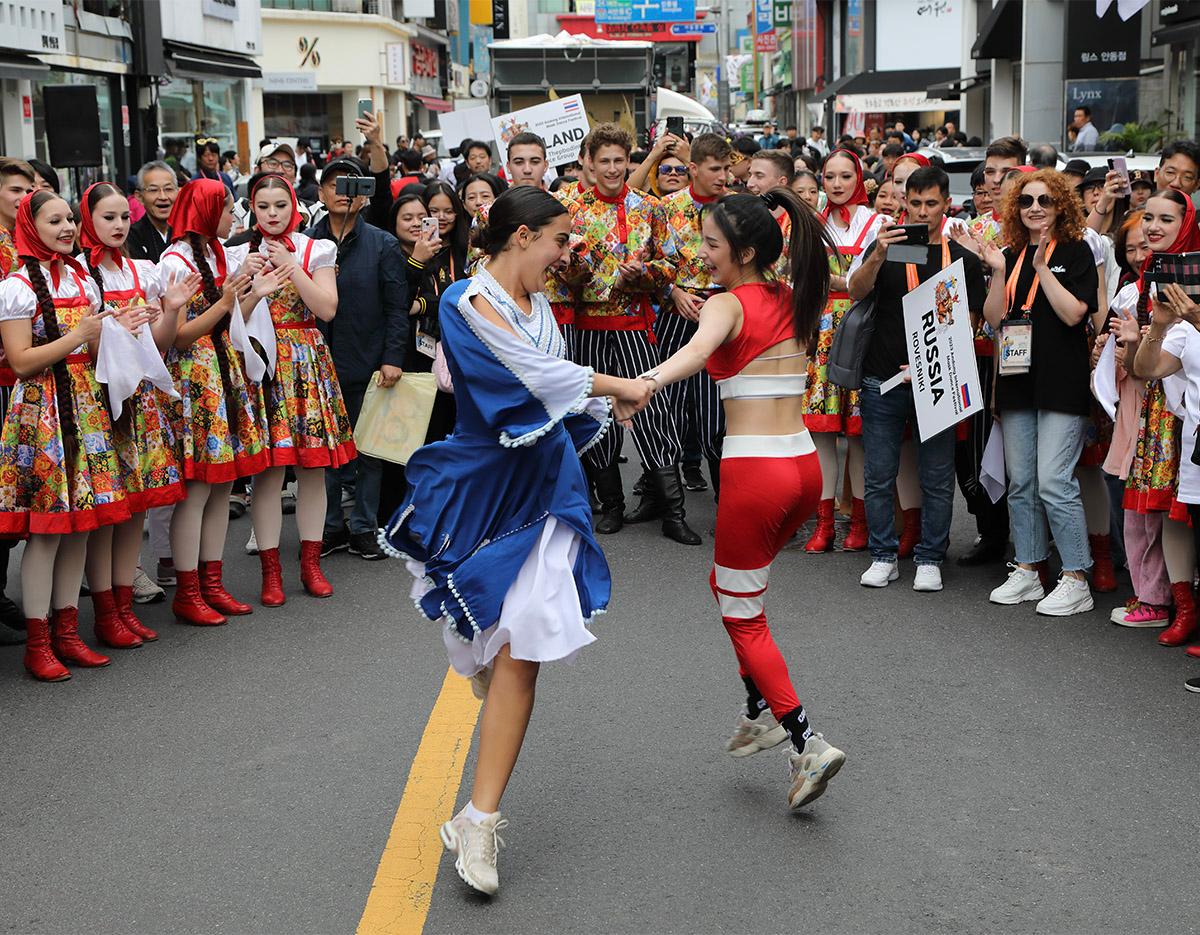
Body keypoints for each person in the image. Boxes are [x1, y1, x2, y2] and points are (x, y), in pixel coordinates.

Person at [381, 186, 650, 895]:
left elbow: (557, 389)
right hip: (483, 483)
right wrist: (614, 381)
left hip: (545, 486)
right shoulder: (465, 302)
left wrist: (604, 397)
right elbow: (534, 379)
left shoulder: (539, 306)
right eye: (560, 240)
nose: (567, 254)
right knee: (485, 643)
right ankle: (480, 662)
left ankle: (478, 816)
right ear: (523, 235)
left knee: (525, 648)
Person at [639, 187, 847, 807]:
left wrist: (642, 383)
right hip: (805, 471)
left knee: (742, 613)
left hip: (756, 475)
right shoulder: (794, 293)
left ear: (745, 251)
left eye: (710, 244)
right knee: (733, 591)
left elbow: (696, 352)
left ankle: (806, 742)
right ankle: (756, 711)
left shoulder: (726, 303)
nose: (701, 254)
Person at [0, 190, 141, 679]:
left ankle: (67, 633)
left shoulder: (82, 275)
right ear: (30, 225)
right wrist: (78, 337)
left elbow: (96, 343)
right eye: (53, 220)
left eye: (68, 220)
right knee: (46, 533)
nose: (65, 228)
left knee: (82, 523)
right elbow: (19, 362)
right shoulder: (16, 285)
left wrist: (120, 328)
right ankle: (38, 642)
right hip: (42, 411)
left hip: (86, 404)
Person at [848, 166, 987, 590]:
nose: (923, 212)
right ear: (904, 203)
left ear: (947, 204)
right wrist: (875, 253)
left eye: (931, 204)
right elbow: (856, 291)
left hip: (937, 379)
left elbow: (971, 321)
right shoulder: (887, 246)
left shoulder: (959, 255)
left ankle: (930, 557)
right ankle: (883, 554)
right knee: (878, 473)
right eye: (915, 203)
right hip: (882, 377)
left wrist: (928, 365)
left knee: (937, 475)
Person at [556, 123, 693, 544]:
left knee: (652, 409)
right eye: (605, 161)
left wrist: (644, 273)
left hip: (636, 324)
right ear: (589, 164)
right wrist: (580, 268)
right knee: (595, 414)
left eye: (620, 160)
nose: (613, 169)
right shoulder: (570, 210)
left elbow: (673, 265)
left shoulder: (649, 208)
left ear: (629, 161)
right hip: (587, 327)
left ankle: (673, 510)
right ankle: (611, 503)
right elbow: (560, 267)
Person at [77, 181, 195, 650]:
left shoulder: (140, 268)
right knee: (109, 512)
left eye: (123, 217)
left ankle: (122, 609)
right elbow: (85, 348)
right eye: (108, 218)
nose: (119, 225)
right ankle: (106, 612)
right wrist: (116, 331)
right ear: (89, 221)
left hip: (139, 395)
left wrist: (174, 309)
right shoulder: (81, 274)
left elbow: (163, 342)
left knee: (134, 509)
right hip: (100, 399)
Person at [977, 169, 1099, 616]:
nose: (1035, 208)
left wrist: (1044, 269)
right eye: (1027, 201)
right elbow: (994, 318)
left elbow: (1073, 315)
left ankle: (1076, 577)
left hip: (1061, 383)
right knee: (1022, 482)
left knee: (1053, 481)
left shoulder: (1076, 251)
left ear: (1060, 206)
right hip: (1015, 379)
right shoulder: (1008, 253)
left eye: (1045, 201)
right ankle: (1028, 569)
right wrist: (997, 272)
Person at [159, 179, 269, 626]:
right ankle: (188, 590)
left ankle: (212, 582)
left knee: (222, 485)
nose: (234, 218)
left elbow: (226, 322)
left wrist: (250, 299)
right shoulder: (175, 260)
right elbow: (180, 336)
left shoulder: (212, 252)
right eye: (227, 209)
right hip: (193, 380)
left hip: (220, 372)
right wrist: (227, 302)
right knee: (199, 489)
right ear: (206, 211)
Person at [243, 174, 353, 605]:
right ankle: (271, 572)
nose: (272, 214)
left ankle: (310, 563)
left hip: (306, 358)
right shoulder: (239, 252)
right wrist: (250, 285)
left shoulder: (316, 248)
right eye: (264, 206)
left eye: (280, 206)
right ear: (253, 208)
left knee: (312, 470)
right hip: (261, 361)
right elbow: (231, 317)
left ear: (295, 207)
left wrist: (292, 266)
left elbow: (327, 307)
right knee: (267, 473)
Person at [1107, 192, 1200, 633]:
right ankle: (1175, 605)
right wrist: (1151, 329)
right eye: (1149, 218)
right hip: (1164, 409)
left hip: (1178, 413)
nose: (1153, 228)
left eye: (1167, 219)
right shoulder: (1147, 279)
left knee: (1177, 510)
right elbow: (1147, 368)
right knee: (1167, 511)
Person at [311, 158, 407, 560]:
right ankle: (329, 526)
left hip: (369, 361)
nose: (342, 192)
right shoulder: (307, 243)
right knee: (324, 452)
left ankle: (365, 526)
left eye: (351, 184)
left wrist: (392, 357)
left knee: (369, 450)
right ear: (320, 194)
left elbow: (397, 307)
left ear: (364, 194)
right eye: (334, 184)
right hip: (317, 363)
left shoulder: (382, 244)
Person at [801, 149, 885, 553]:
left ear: (859, 179)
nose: (836, 184)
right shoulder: (812, 225)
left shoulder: (877, 223)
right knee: (821, 432)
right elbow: (801, 277)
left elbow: (867, 283)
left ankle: (859, 522)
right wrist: (842, 281)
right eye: (829, 177)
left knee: (858, 435)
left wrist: (836, 281)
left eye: (845, 176)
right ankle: (824, 524)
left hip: (863, 329)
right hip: (820, 333)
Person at [1126, 277, 1200, 674]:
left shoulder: (1194, 319)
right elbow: (1147, 369)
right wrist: (1158, 325)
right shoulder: (1185, 323)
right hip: (1195, 443)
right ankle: (1189, 613)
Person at [656, 133, 733, 495]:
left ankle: (726, 499)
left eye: (727, 168)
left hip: (723, 313)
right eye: (715, 169)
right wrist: (672, 292)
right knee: (664, 404)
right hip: (674, 311)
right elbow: (651, 261)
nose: (723, 176)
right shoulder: (666, 207)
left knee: (716, 412)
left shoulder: (736, 209)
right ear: (693, 169)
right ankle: (665, 501)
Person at [128, 161, 177, 263]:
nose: (163, 197)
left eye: (168, 189)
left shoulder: (187, 233)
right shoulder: (132, 236)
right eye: (153, 190)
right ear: (139, 197)